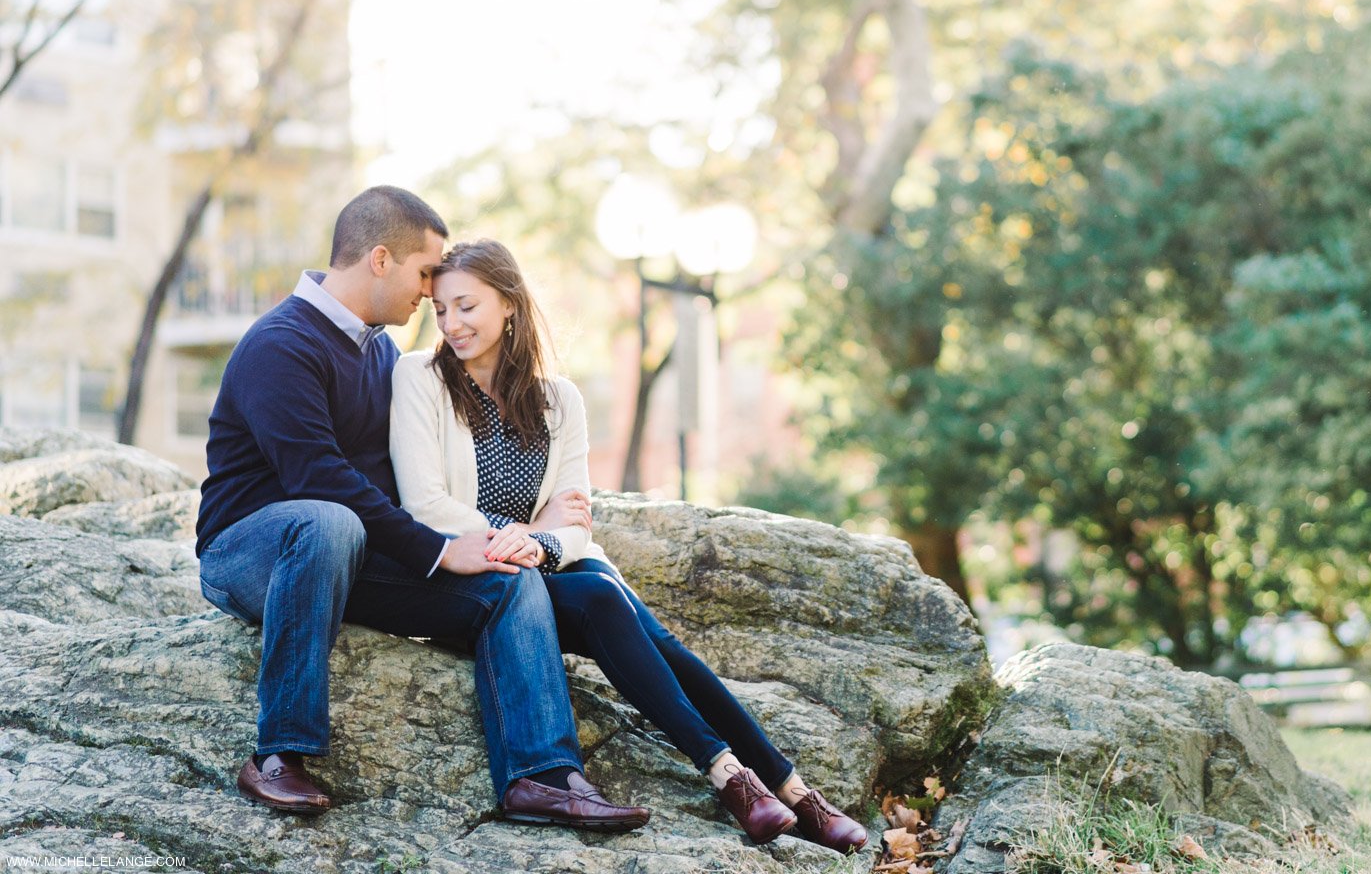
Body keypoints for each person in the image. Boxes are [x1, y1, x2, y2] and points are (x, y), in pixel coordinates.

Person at [390, 239, 870, 854]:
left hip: (549, 568)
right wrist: (524, 534)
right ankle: (747, 779)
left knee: (645, 630)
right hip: (483, 578)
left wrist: (540, 539)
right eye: (441, 310)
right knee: (601, 596)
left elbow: (576, 527)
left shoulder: (559, 401)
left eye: (466, 306)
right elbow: (425, 504)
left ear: (509, 303)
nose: (451, 324)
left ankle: (784, 790)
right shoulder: (421, 379)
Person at [195, 187, 648, 831]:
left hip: (348, 559)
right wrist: (436, 551)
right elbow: (315, 477)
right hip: (250, 554)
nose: (430, 295)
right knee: (327, 518)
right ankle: (278, 754)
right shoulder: (280, 344)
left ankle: (541, 775)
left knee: (503, 575)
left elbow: (396, 478)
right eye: (425, 272)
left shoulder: (380, 352)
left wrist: (509, 536)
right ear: (380, 260)